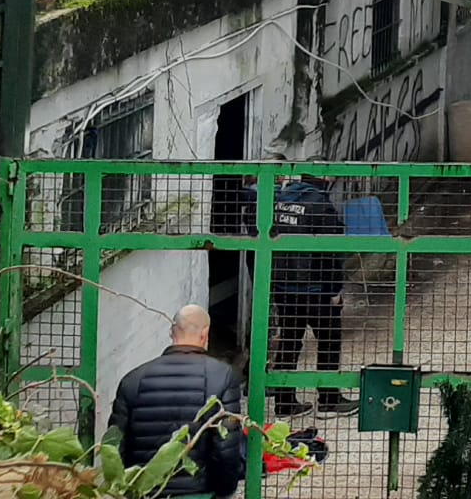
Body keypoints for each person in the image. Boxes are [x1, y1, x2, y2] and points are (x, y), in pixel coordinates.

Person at [109, 305, 246, 497]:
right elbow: (226, 447)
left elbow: (116, 447)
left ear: (172, 333)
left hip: (145, 492)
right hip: (198, 492)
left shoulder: (133, 379)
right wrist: (223, 491)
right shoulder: (222, 376)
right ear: (205, 333)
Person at [264, 166, 356, 418]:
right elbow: (331, 252)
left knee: (290, 341)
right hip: (316, 288)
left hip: (284, 288)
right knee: (328, 340)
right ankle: (328, 400)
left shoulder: (279, 202)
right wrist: (335, 289)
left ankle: (284, 403)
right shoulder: (320, 204)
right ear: (325, 179)